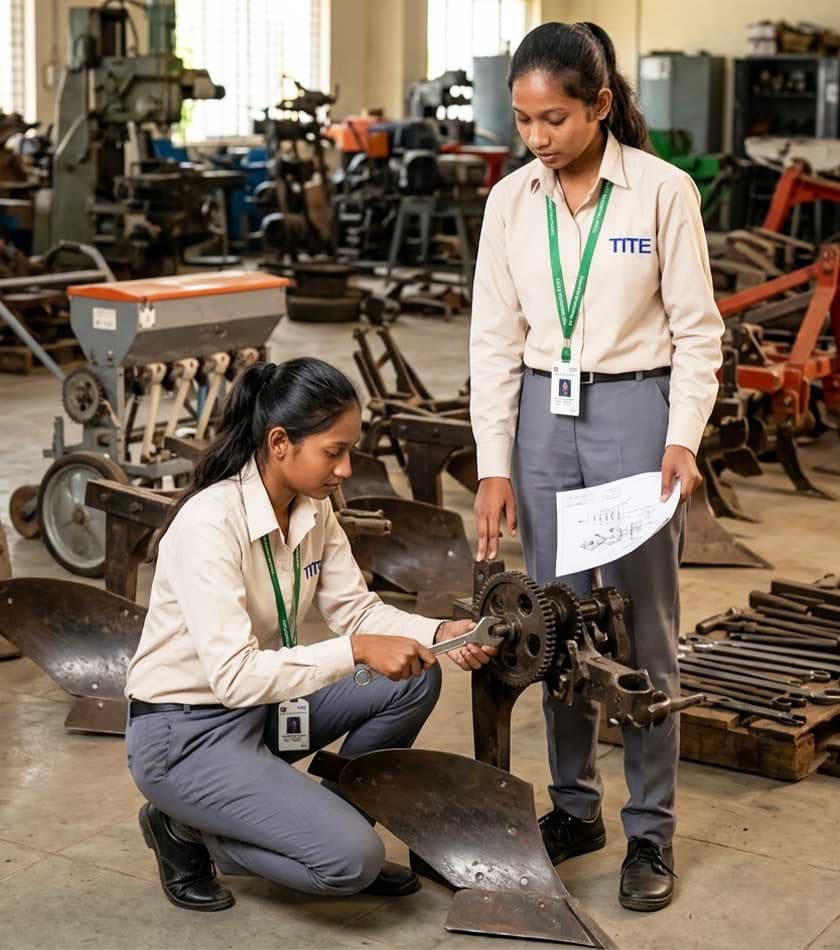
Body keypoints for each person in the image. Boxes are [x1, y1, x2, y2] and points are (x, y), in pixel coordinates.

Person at [469, 22, 724, 912]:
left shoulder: (661, 192)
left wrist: (682, 436)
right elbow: (493, 340)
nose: (538, 138)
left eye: (556, 119)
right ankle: (575, 809)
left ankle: (650, 833)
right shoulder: (512, 201)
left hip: (633, 416)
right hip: (545, 415)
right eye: (525, 120)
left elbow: (698, 332)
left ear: (601, 106)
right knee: (555, 620)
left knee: (641, 628)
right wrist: (494, 463)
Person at [125, 357, 494, 912]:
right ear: (279, 443)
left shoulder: (312, 510)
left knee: (413, 680)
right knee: (352, 862)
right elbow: (233, 677)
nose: (346, 468)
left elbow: (357, 611)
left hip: (260, 710)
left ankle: (322, 821)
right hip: (185, 735)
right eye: (333, 451)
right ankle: (188, 829)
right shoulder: (209, 525)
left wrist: (441, 630)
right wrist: (354, 651)